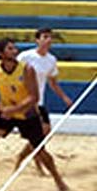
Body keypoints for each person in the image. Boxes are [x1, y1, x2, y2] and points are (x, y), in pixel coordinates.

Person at [0, 38, 68, 191]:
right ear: (1, 53)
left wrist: (13, 110)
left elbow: (34, 97)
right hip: (7, 113)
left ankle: (58, 179)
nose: (15, 51)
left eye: (14, 48)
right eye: (10, 49)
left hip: (27, 114)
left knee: (39, 149)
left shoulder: (26, 69)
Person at [15, 28, 73, 174]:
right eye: (45, 37)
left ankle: (27, 157)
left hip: (39, 101)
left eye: (50, 37)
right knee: (41, 133)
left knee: (44, 132)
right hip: (26, 100)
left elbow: (53, 82)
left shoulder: (51, 60)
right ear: (37, 40)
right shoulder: (25, 56)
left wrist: (64, 97)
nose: (48, 40)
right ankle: (27, 159)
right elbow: (13, 75)